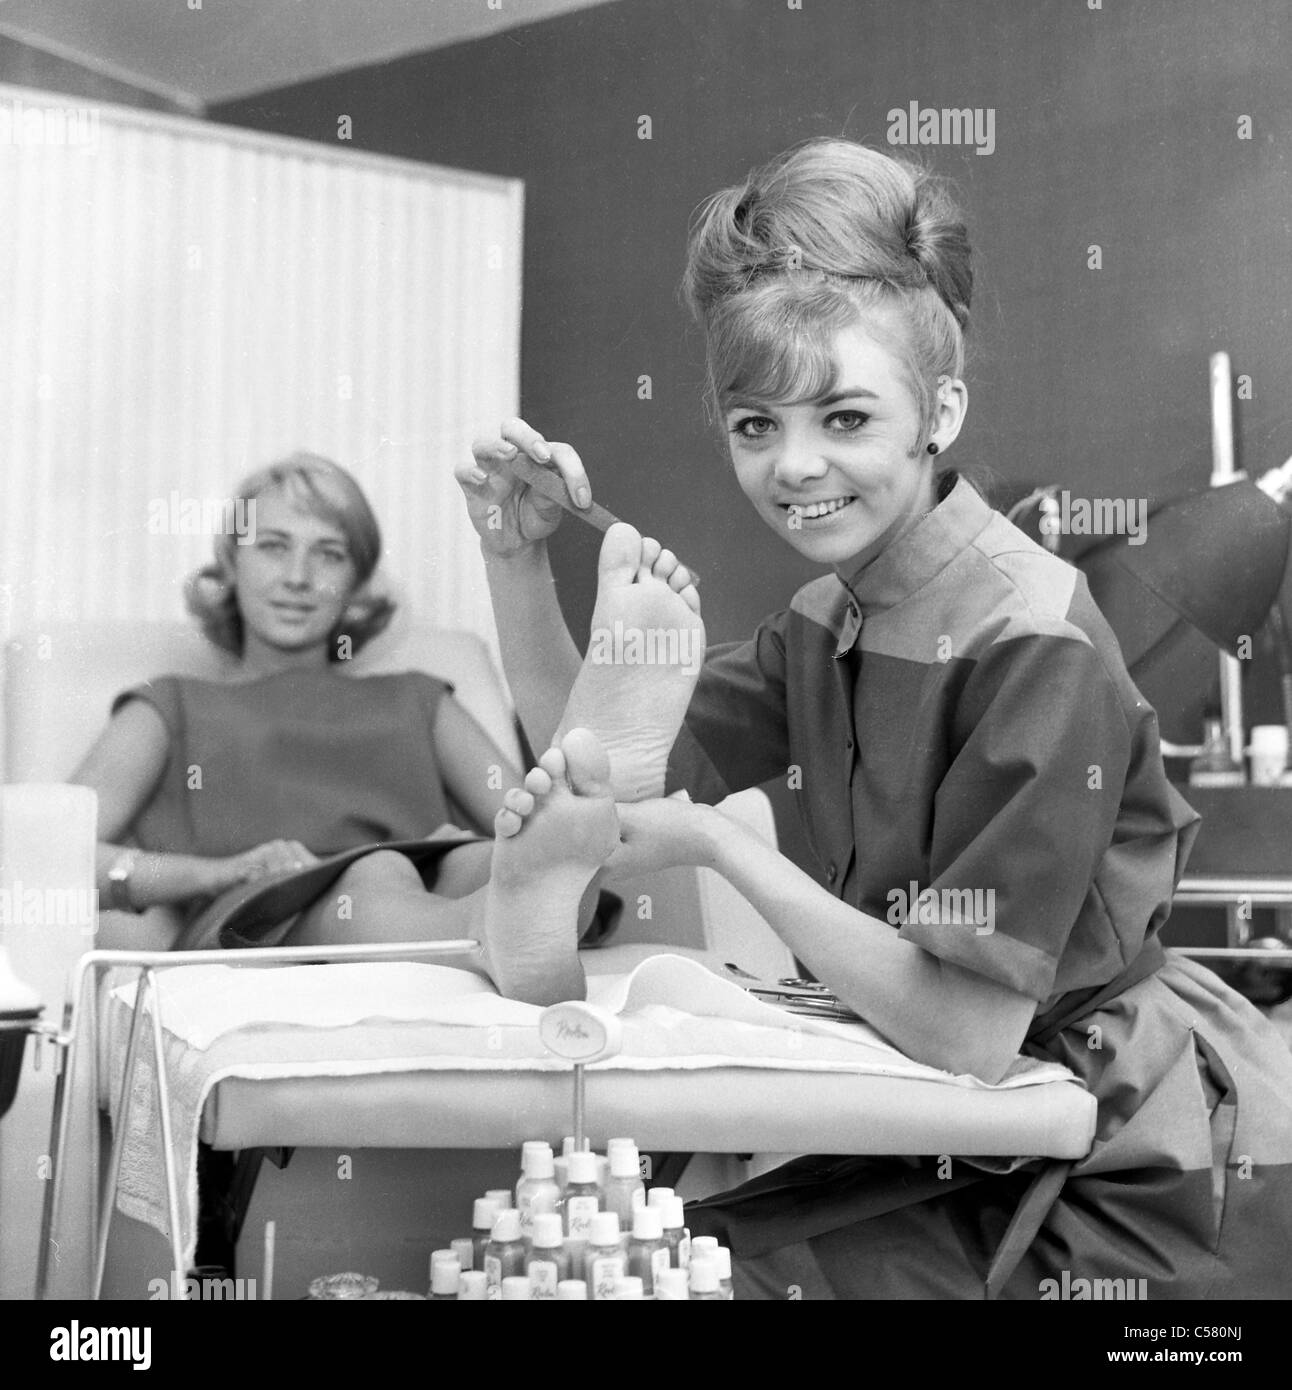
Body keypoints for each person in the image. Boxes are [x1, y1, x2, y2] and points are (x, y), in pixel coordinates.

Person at [458, 138, 1292, 1299]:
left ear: (937, 408)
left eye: (842, 418)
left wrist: (719, 844)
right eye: (755, 425)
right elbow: (600, 762)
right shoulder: (824, 619)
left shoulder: (1034, 643)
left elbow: (968, 1030)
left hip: (1114, 1155)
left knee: (709, 1277)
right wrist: (516, 562)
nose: (793, 467)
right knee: (645, 1254)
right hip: (944, 1110)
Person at [72, 452, 622, 1009]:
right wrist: (217, 873)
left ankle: (539, 913)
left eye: (328, 554)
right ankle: (498, 937)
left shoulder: (419, 699)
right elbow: (51, 854)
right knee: (376, 874)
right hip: (257, 916)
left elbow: (519, 815)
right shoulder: (168, 707)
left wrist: (511, 847)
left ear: (356, 583)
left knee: (482, 860)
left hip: (420, 882)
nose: (298, 577)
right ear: (230, 564)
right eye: (273, 546)